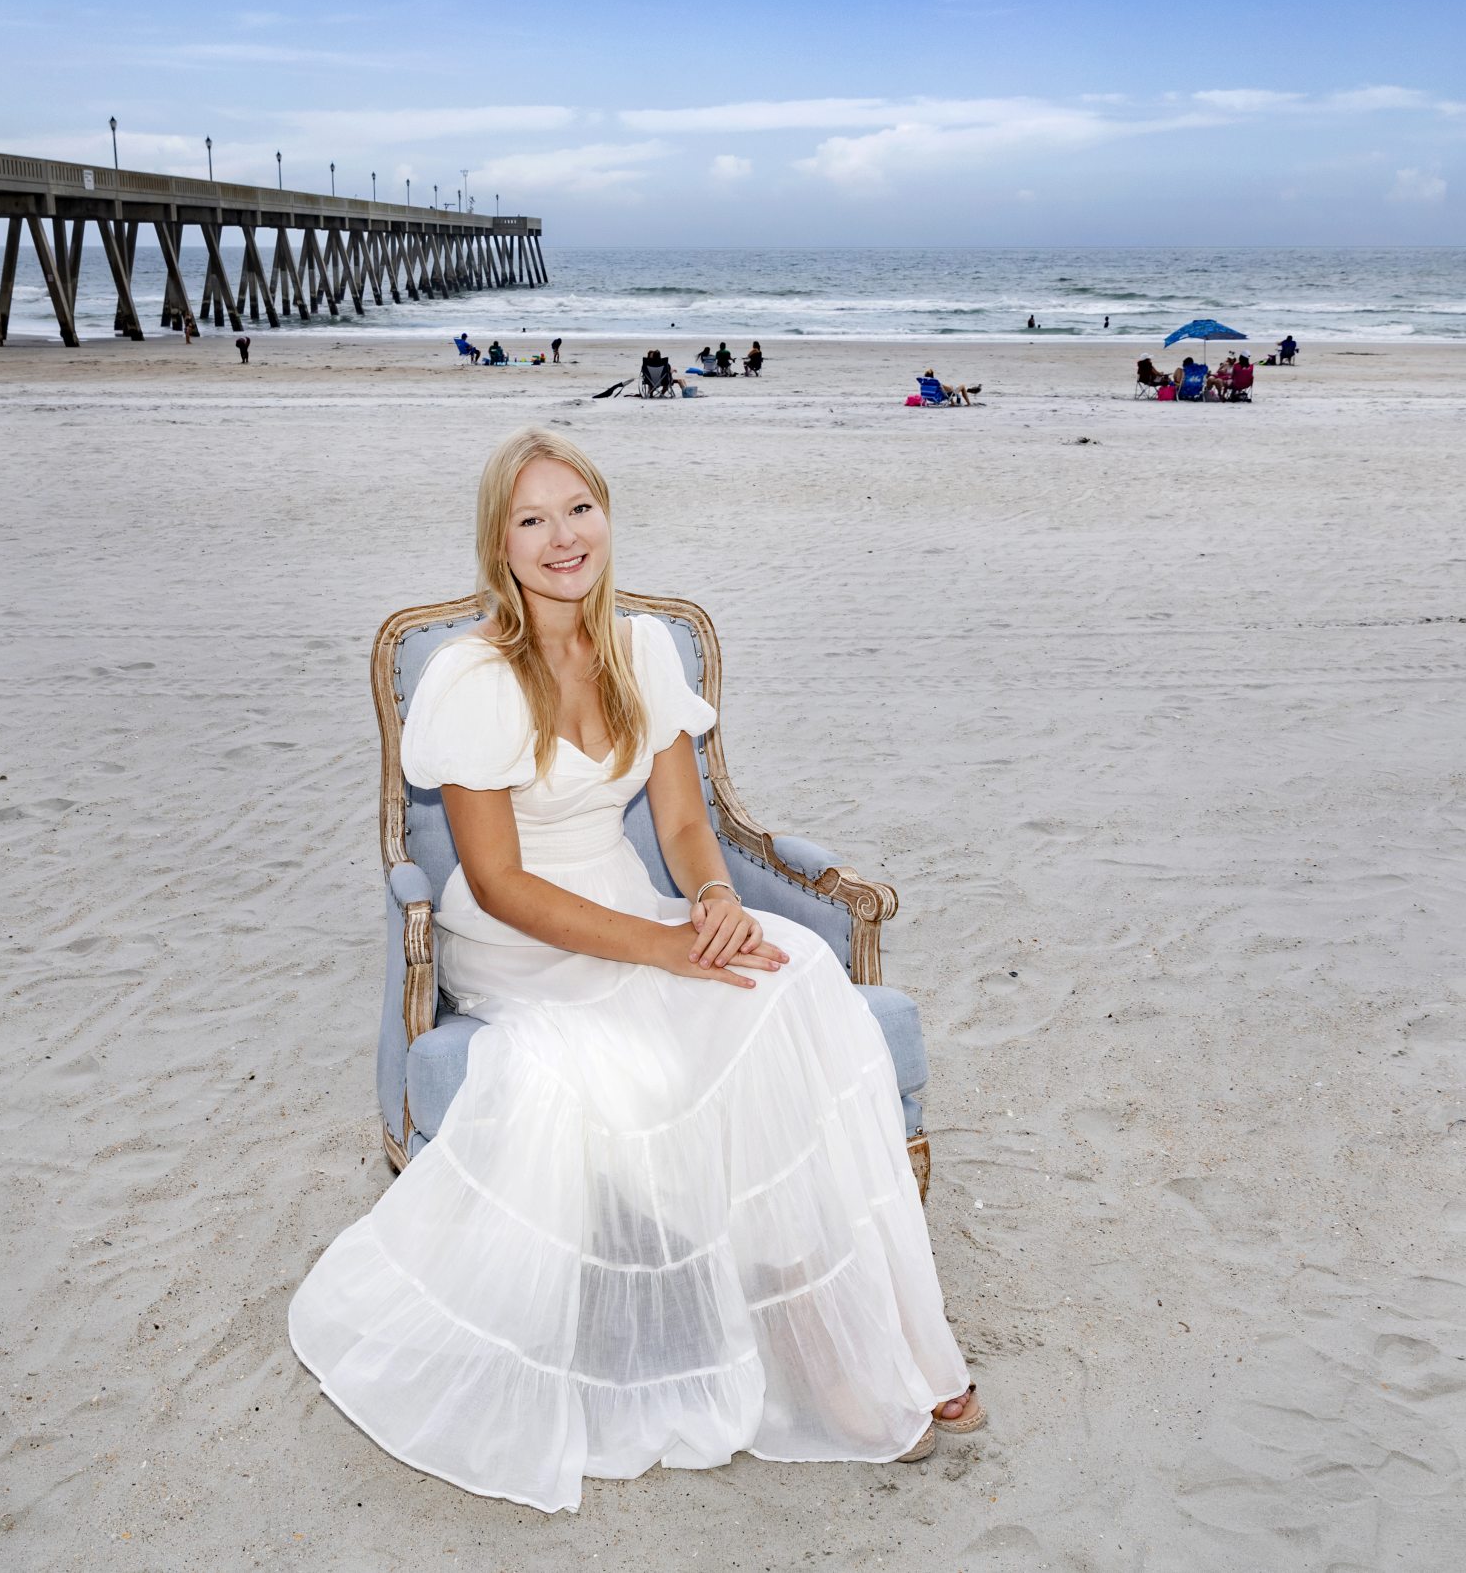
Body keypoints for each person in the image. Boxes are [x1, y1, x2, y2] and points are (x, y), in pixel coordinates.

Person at [288, 429, 982, 1512]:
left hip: (629, 895)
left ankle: (851, 1328)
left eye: (579, 510)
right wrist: (665, 948)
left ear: (606, 518)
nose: (562, 538)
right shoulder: (471, 676)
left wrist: (706, 902)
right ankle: (799, 1343)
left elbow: (685, 824)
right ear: (499, 545)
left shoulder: (643, 648)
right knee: (646, 1065)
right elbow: (501, 882)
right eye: (532, 520)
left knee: (793, 971)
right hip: (521, 936)